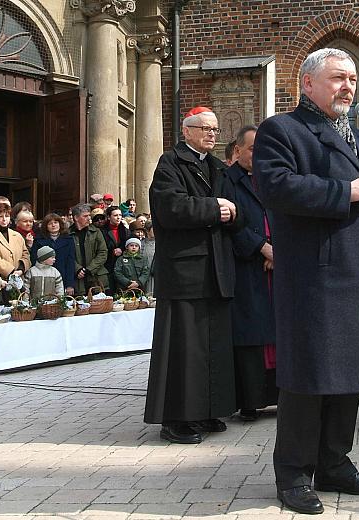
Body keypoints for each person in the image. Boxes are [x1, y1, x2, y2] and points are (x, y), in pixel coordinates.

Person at [252, 48, 359, 515]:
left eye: (353, 79)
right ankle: (293, 474)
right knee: (308, 378)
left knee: (348, 378)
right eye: (338, 78)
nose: (349, 87)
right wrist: (346, 191)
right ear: (308, 83)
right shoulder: (283, 130)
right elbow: (275, 187)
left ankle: (334, 462)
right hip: (315, 279)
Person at [144, 105, 243, 445]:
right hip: (185, 270)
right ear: (186, 131)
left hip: (216, 267)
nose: (212, 134)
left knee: (212, 346)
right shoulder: (170, 163)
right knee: (183, 347)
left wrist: (232, 212)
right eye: (204, 128)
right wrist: (216, 208)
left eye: (215, 129)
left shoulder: (218, 167)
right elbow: (171, 208)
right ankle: (176, 418)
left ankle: (207, 409)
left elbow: (238, 212)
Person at [227, 125, 279, 422]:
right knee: (251, 334)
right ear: (238, 151)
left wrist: (278, 249)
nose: (258, 155)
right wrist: (261, 247)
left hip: (278, 264)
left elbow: (287, 214)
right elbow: (231, 223)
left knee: (279, 331)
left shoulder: (272, 177)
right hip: (248, 266)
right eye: (252, 149)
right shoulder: (227, 180)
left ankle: (279, 396)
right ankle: (250, 400)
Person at [0, 199, 31, 285]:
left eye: (7, 216)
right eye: (0, 216)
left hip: (18, 281)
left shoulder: (17, 235)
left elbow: (25, 254)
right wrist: (11, 271)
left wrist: (20, 269)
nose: (4, 219)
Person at [31, 213, 77, 296]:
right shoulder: (38, 240)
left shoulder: (69, 240)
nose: (53, 225)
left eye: (56, 222)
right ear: (46, 226)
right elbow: (34, 260)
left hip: (63, 276)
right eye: (50, 223)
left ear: (60, 224)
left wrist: (70, 284)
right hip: (44, 277)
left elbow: (70, 262)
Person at [69, 203, 109, 294]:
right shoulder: (68, 234)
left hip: (96, 277)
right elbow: (67, 255)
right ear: (76, 218)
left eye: (89, 216)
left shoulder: (96, 231)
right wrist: (77, 269)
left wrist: (89, 269)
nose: (89, 219)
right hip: (77, 280)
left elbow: (103, 252)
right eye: (85, 216)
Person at [102, 205, 129, 293]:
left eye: (120, 215)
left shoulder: (125, 231)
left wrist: (121, 249)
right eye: (115, 215)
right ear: (109, 217)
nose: (118, 218)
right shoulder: (102, 231)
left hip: (123, 266)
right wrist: (112, 251)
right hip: (108, 265)